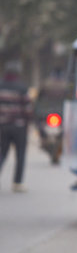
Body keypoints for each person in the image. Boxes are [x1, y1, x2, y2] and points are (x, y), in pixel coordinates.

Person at [0, 61, 33, 192]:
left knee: (2, 153)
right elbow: (28, 108)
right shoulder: (22, 87)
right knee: (20, 154)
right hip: (19, 126)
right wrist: (29, 122)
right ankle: (17, 183)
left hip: (2, 125)